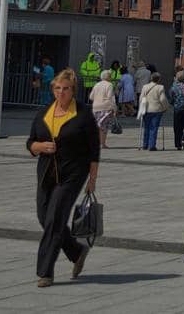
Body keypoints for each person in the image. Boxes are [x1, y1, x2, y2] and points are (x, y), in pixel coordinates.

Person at [25, 68, 98, 287]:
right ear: (52, 89)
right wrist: (39, 146)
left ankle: (45, 272)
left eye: (66, 89)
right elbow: (30, 143)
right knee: (43, 217)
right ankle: (76, 252)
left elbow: (94, 150)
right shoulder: (43, 113)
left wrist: (92, 179)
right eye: (57, 88)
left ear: (73, 90)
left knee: (55, 219)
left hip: (73, 172)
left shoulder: (83, 114)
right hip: (47, 171)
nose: (61, 93)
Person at [139, 73, 168, 151]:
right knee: (154, 128)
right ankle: (151, 145)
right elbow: (162, 99)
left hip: (146, 109)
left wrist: (141, 108)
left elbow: (141, 98)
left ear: (151, 78)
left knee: (147, 127)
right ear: (158, 79)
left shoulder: (145, 87)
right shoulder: (160, 87)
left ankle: (145, 144)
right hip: (156, 110)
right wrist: (165, 107)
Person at [89, 69, 116, 148]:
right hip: (105, 108)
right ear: (108, 77)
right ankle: (102, 144)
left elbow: (91, 97)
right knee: (104, 127)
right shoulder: (109, 85)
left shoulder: (96, 84)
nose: (111, 77)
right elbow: (110, 97)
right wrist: (114, 108)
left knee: (96, 126)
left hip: (95, 107)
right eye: (110, 76)